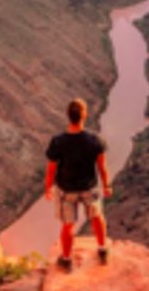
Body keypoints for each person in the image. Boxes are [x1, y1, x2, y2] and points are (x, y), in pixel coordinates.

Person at [44, 98, 112, 271]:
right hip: (89, 187)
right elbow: (102, 167)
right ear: (85, 115)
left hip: (67, 190)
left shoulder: (58, 142)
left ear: (68, 116)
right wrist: (106, 185)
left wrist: (48, 188)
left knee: (68, 224)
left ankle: (66, 260)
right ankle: (103, 249)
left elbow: (51, 169)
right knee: (97, 217)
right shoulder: (95, 140)